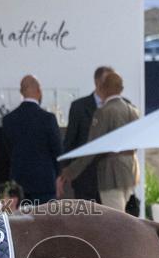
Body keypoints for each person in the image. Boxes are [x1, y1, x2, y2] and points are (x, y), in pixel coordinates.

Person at [59, 72, 140, 211]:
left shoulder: (104, 112)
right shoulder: (133, 110)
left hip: (111, 174)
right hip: (130, 171)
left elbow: (93, 148)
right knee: (126, 218)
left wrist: (69, 172)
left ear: (103, 88)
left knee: (115, 220)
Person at [0, 75, 61, 204]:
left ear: (21, 92)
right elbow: (57, 151)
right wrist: (59, 177)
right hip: (44, 185)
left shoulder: (8, 120)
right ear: (39, 91)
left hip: (18, 185)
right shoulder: (48, 119)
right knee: (45, 223)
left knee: (20, 223)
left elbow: (6, 155)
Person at [62, 65, 113, 155]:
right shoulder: (79, 107)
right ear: (97, 82)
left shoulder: (123, 106)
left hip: (113, 165)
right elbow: (70, 140)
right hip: (87, 164)